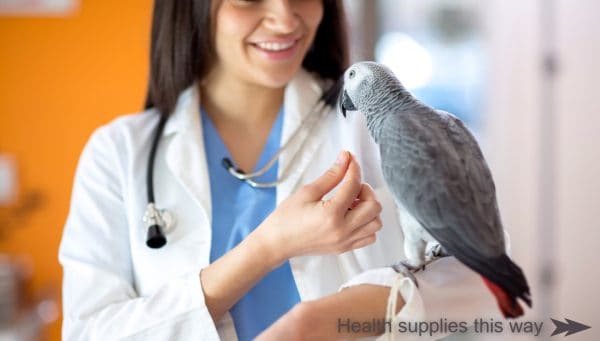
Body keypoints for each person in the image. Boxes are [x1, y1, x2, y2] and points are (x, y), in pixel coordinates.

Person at [59, 0, 505, 340]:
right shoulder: (118, 153)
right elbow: (87, 331)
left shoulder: (376, 131)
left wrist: (330, 318)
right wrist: (268, 248)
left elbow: (481, 283)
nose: (286, 19)